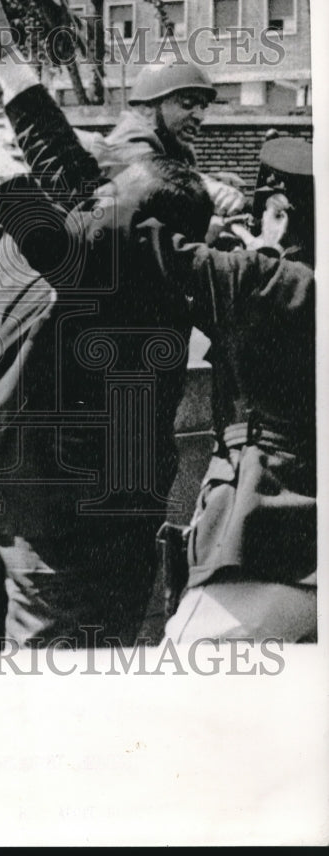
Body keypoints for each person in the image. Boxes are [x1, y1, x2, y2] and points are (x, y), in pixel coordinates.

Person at [0, 0, 217, 647]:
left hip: (68, 509)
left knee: (52, 666)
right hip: (112, 498)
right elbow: (76, 177)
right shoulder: (144, 225)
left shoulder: (117, 250)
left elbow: (51, 233)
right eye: (187, 101)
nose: (93, 200)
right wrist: (13, 71)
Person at [163, 135, 316, 643]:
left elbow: (144, 245)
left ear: (282, 215)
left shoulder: (268, 281)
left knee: (183, 665)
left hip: (267, 531)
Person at [88, 59, 247, 218]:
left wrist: (215, 179)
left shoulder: (173, 148)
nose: (199, 116)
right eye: (187, 103)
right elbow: (147, 169)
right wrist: (209, 186)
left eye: (202, 107)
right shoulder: (127, 141)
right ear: (148, 107)